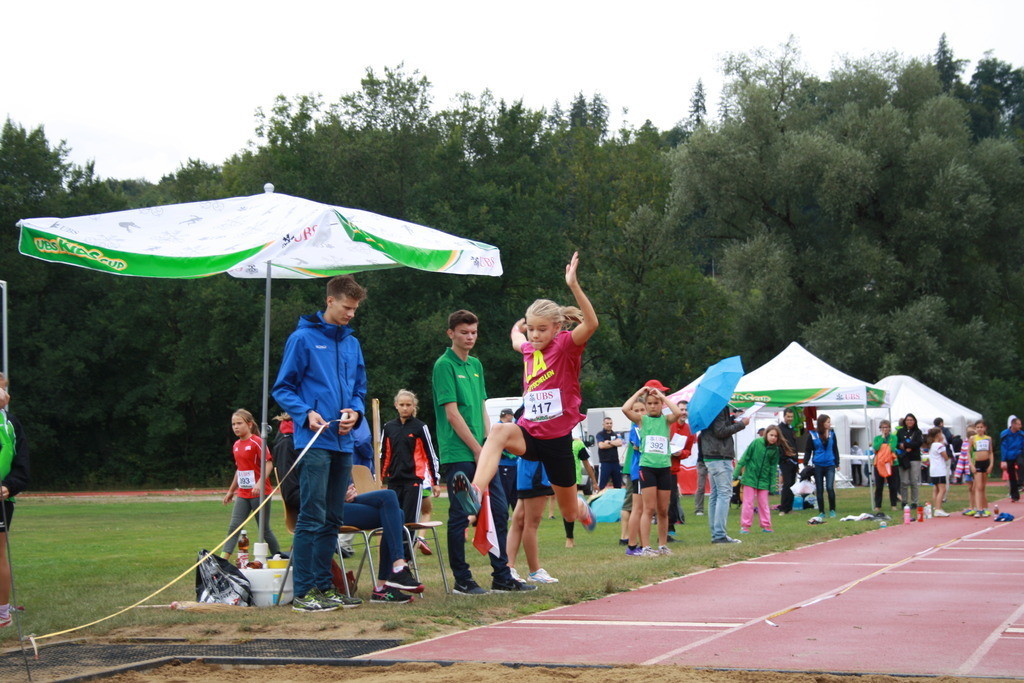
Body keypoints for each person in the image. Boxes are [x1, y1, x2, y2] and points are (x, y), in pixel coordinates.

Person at [451, 252, 599, 537]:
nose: (535, 335)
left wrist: (573, 285)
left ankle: (581, 508)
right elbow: (516, 338)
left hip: (557, 442)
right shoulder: (529, 348)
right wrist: (519, 327)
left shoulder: (566, 346)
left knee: (568, 512)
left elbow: (591, 324)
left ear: (557, 328)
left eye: (542, 330)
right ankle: (475, 492)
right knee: (498, 430)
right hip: (530, 434)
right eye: (531, 329)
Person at [272, 274, 367, 612]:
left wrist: (355, 411)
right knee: (311, 516)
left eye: (355, 309)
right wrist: (305, 413)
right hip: (313, 441)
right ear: (330, 301)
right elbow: (283, 388)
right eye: (346, 307)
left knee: (332, 518)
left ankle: (325, 588)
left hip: (343, 442)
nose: (350, 314)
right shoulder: (302, 338)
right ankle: (305, 591)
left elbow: (359, 389)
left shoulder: (352, 343)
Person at [432, 309, 530, 595]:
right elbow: (452, 414)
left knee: (498, 509)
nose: (469, 337)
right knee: (461, 514)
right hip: (458, 452)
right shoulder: (444, 365)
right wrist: (477, 449)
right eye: (464, 332)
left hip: (482, 451)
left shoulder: (475, 364)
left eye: (473, 332)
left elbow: (483, 409)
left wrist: (489, 443)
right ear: (451, 333)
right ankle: (462, 579)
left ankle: (502, 575)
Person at [621, 382, 682, 555]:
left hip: (664, 468)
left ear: (661, 404)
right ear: (646, 405)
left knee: (663, 510)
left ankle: (662, 545)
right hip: (647, 468)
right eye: (649, 403)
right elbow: (625, 408)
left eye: (656, 403)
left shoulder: (666, 420)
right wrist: (640, 392)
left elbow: (678, 413)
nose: (653, 406)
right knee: (648, 509)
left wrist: (662, 396)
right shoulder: (642, 420)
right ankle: (646, 547)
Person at [341, 483, 426, 604]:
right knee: (394, 511)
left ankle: (384, 586)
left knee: (391, 502)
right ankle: (396, 571)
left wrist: (350, 489)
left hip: (344, 501)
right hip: (328, 507)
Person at [381, 389, 440, 554]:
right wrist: (380, 477)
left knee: (409, 520)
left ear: (414, 406)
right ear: (396, 405)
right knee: (393, 518)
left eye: (408, 405)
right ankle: (394, 556)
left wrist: (435, 481)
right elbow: (384, 454)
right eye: (402, 405)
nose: (405, 408)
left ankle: (407, 557)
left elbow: (430, 455)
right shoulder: (389, 427)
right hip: (394, 481)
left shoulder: (420, 427)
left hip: (413, 480)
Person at [221, 409, 282, 560]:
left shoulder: (257, 441)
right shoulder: (236, 445)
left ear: (249, 424)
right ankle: (223, 560)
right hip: (243, 493)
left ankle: (278, 557)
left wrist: (259, 483)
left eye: (239, 423)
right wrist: (231, 491)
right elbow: (240, 470)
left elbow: (269, 463)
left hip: (259, 493)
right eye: (233, 424)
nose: (236, 427)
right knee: (234, 527)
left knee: (264, 529)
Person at [0, 377, 29, 630]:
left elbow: (22, 467)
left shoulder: (10, 424)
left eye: (2, 388)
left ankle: (2, 613)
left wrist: (9, 486)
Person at [699, 405, 749, 544]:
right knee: (724, 493)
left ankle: (716, 533)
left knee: (716, 494)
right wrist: (741, 424)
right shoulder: (719, 406)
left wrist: (733, 418)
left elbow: (717, 426)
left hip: (711, 454)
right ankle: (719, 534)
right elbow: (720, 431)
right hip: (719, 454)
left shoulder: (709, 406)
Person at [735, 424, 789, 533]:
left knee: (764, 504)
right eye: (771, 435)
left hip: (764, 480)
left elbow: (773, 468)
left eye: (775, 436)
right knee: (748, 503)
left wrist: (772, 484)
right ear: (766, 434)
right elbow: (745, 457)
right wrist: (736, 472)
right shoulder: (756, 443)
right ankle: (745, 526)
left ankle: (766, 526)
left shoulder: (775, 450)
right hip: (750, 477)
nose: (773, 438)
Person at [563, 437, 598, 548]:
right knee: (566, 508)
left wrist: (594, 481)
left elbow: (586, 463)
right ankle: (582, 506)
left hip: (574, 480)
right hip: (559, 479)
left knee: (568, 508)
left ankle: (569, 538)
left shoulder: (578, 444)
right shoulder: (556, 443)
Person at [668, 400, 695, 537]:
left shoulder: (690, 430)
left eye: (686, 410)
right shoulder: (668, 425)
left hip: (673, 469)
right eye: (681, 409)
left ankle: (670, 527)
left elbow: (688, 451)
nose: (684, 412)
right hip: (661, 465)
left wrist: (681, 453)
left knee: (672, 499)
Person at [623, 398, 647, 555]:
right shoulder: (636, 428)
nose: (639, 413)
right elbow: (640, 446)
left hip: (647, 470)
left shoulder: (649, 425)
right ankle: (632, 545)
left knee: (643, 509)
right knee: (637, 509)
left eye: (642, 410)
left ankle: (643, 544)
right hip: (639, 471)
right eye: (636, 411)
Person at [806, 414, 840, 519]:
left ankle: (832, 510)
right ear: (822, 423)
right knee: (819, 489)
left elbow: (835, 449)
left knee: (830, 487)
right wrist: (805, 463)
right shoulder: (812, 435)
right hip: (818, 465)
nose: (830, 424)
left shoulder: (832, 434)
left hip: (830, 464)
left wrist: (837, 463)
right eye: (828, 422)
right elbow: (808, 450)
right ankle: (821, 511)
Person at [896, 413, 924, 516]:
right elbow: (897, 443)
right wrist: (902, 446)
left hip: (914, 458)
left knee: (914, 481)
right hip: (903, 458)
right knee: (904, 481)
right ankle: (904, 501)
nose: (909, 422)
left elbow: (918, 443)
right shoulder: (900, 431)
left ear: (914, 421)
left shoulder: (918, 431)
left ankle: (914, 502)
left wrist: (907, 445)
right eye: (908, 420)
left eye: (911, 420)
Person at [871, 420, 901, 512]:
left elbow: (892, 448)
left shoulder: (893, 437)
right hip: (879, 464)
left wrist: (882, 448)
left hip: (891, 463)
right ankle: (878, 505)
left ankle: (893, 504)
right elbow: (875, 447)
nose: (885, 429)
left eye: (886, 427)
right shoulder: (877, 438)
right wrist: (882, 439)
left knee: (893, 485)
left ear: (889, 428)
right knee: (879, 486)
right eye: (883, 427)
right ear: (880, 429)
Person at [777, 408, 801, 515]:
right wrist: (784, 457)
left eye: (791, 417)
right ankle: (783, 508)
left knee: (792, 484)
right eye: (788, 417)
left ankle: (789, 508)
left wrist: (797, 461)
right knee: (787, 484)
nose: (790, 419)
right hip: (785, 461)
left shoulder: (792, 429)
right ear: (784, 416)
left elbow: (794, 446)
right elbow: (779, 446)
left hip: (794, 461)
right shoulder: (779, 429)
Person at [496, 409, 520, 513]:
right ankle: (504, 514)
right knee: (505, 491)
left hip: (514, 464)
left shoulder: (509, 427)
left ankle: (516, 514)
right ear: (507, 415)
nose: (513, 418)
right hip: (504, 464)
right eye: (511, 415)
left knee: (515, 492)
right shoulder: (499, 427)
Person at [968, 420, 993, 517]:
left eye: (981, 427)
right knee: (978, 487)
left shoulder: (988, 438)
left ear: (985, 428)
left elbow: (990, 452)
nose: (979, 429)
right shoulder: (973, 438)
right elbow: (968, 452)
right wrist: (971, 465)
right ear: (975, 428)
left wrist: (991, 465)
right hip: (977, 463)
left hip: (986, 463)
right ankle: (979, 509)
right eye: (977, 427)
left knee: (983, 487)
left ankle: (985, 507)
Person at [925, 427, 951, 517]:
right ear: (938, 435)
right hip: (939, 470)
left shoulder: (932, 445)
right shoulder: (939, 445)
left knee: (936, 489)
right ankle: (938, 509)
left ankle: (936, 507)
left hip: (933, 470)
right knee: (942, 489)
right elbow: (946, 457)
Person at [596, 417, 624, 490]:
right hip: (605, 463)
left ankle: (617, 497)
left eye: (610, 423)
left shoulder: (615, 434)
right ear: (603, 424)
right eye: (607, 423)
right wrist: (614, 443)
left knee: (618, 485)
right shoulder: (600, 434)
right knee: (602, 485)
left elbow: (620, 443)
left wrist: (609, 442)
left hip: (615, 462)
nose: (609, 425)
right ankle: (599, 496)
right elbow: (601, 446)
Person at [999, 416, 1022, 503]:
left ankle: (1020, 482)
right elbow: (1003, 447)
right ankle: (1014, 495)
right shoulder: (1005, 434)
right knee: (1011, 476)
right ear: (1013, 424)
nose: (1020, 426)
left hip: (1019, 453)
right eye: (1018, 424)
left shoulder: (1021, 434)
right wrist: (1003, 460)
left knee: (1021, 463)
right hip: (1009, 456)